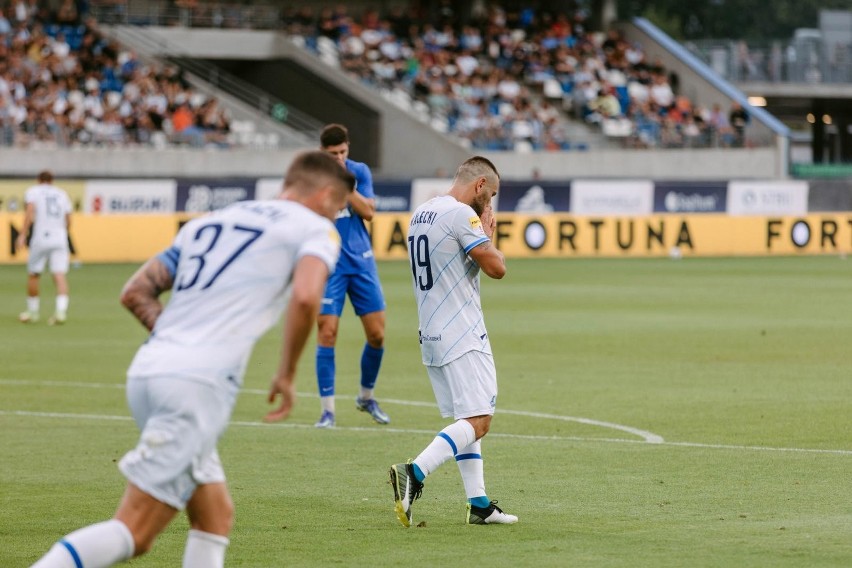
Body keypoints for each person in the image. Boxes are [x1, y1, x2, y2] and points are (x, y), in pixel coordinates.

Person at [29, 151, 354, 568]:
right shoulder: (314, 229)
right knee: (135, 530)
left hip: (150, 369)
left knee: (215, 516)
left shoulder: (214, 220)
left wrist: (178, 342)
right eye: (338, 207)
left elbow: (135, 292)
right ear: (326, 194)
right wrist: (287, 373)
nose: (336, 216)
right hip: (196, 387)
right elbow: (308, 295)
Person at [389, 156, 518, 527]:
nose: (489, 205)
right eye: (490, 196)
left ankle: (478, 504)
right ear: (479, 186)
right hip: (461, 331)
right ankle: (414, 472)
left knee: (467, 415)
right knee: (480, 420)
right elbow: (497, 269)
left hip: (430, 331)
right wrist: (489, 236)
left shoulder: (422, 212)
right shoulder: (464, 215)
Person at [313, 123, 390, 428]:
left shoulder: (359, 171)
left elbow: (369, 212)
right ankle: (327, 411)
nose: (339, 158)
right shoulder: (312, 176)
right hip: (329, 264)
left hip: (361, 261)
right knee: (327, 332)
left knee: (377, 335)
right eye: (332, 154)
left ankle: (366, 397)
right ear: (322, 153)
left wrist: (347, 184)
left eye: (342, 152)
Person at [16, 170, 73, 325]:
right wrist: (62, 232)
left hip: (41, 236)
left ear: (38, 179)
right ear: (52, 180)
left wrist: (22, 234)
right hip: (60, 237)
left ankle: (32, 312)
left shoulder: (33, 192)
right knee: (59, 274)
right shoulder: (62, 194)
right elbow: (68, 220)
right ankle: (60, 312)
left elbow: (29, 212)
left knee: (34, 273)